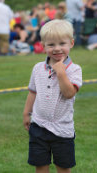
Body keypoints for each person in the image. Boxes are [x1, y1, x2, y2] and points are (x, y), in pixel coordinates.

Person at [23, 19, 82, 173]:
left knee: (63, 167)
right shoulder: (37, 68)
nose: (57, 49)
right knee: (40, 165)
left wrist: (61, 72)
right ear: (43, 46)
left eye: (62, 43)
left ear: (71, 43)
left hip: (62, 128)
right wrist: (26, 113)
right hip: (39, 126)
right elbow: (32, 92)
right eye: (51, 45)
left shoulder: (74, 70)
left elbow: (69, 94)